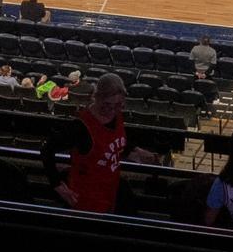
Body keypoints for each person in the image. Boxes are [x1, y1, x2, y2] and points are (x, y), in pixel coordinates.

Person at [43, 72, 156, 213]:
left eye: (118, 105)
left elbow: (111, 142)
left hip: (109, 191)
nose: (112, 110)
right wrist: (57, 184)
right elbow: (47, 150)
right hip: (86, 198)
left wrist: (134, 151)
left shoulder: (116, 115)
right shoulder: (81, 126)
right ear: (97, 98)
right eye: (107, 105)